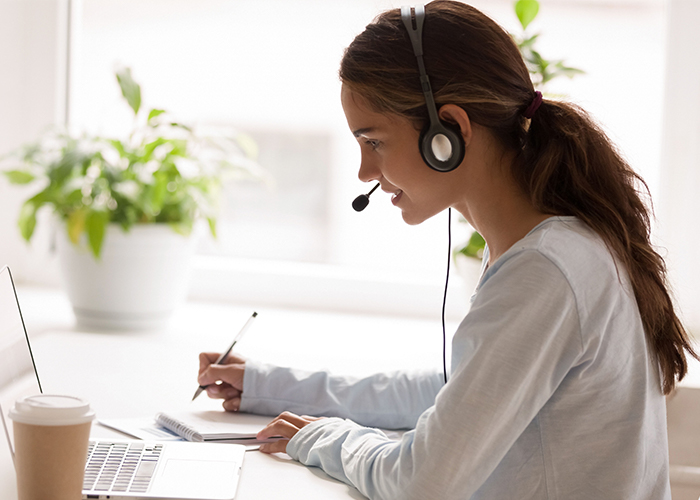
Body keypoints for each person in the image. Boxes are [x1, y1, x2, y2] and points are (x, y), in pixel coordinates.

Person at [197, 1, 697, 498]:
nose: (364, 173)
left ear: (449, 132)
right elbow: (457, 390)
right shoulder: (549, 246)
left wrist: (322, 437)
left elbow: (422, 482)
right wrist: (273, 386)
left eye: (373, 142)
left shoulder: (545, 270)